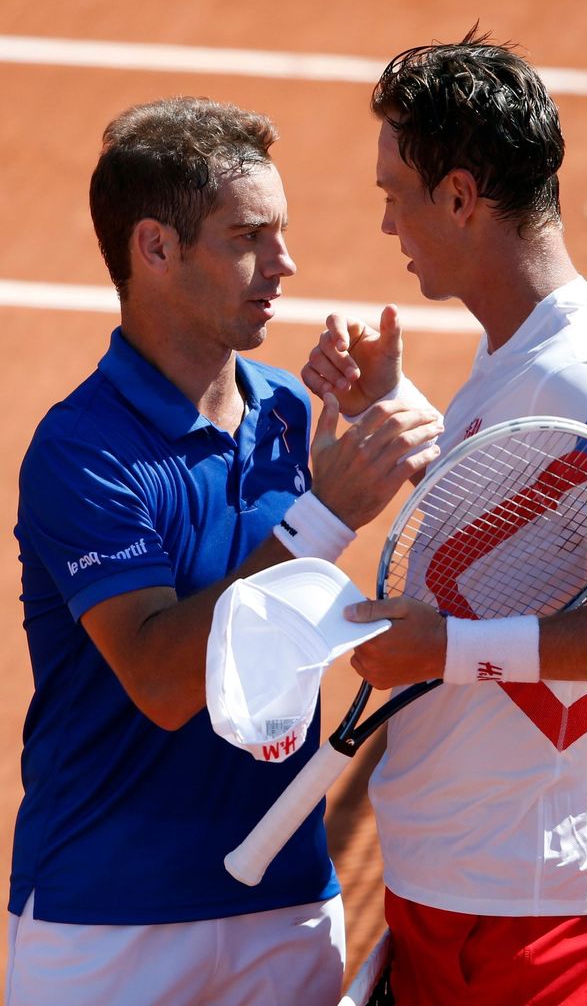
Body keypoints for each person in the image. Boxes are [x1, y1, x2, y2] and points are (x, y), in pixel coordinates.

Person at [5, 96, 443, 1006]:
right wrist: (322, 514)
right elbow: (164, 680)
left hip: (283, 901)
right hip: (107, 921)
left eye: (281, 233)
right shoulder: (81, 451)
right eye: (251, 237)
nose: (286, 266)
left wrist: (395, 436)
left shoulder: (291, 412)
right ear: (154, 248)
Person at [302, 29, 587, 1006]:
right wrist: (397, 412)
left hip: (528, 904)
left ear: (461, 196)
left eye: (396, 193)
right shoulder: (519, 350)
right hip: (471, 879)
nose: (387, 222)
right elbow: (530, 510)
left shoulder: (583, 375)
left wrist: (451, 649)